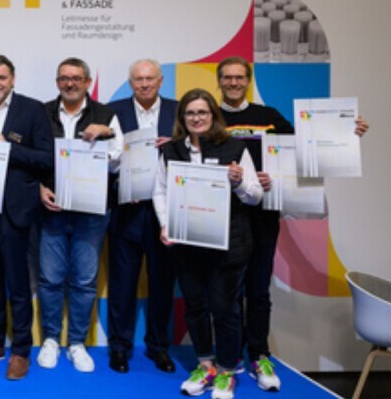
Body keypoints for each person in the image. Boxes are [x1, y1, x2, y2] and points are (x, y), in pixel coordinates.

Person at [215, 56, 368, 391]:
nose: (234, 83)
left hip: (264, 215)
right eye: (227, 78)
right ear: (219, 81)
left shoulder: (268, 117)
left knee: (257, 290)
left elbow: (309, 142)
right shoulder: (209, 117)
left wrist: (346, 132)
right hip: (222, 216)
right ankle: (228, 358)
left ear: (248, 80)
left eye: (239, 77)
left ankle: (258, 354)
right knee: (226, 292)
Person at [155, 88, 262, 399]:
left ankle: (228, 370)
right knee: (196, 306)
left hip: (229, 245)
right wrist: (165, 222)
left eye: (202, 112)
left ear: (213, 116)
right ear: (182, 118)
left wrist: (240, 181)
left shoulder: (234, 148)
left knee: (225, 309)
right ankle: (206, 364)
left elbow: (255, 196)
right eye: (190, 113)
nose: (196, 118)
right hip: (188, 244)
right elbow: (159, 191)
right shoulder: (171, 150)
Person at [0, 54, 54, 381]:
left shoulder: (32, 110)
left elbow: (47, 158)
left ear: (12, 78)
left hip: (15, 210)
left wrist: (8, 147)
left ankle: (20, 351)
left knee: (17, 284)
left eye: (1, 78)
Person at [37, 58, 123, 373]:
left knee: (85, 282)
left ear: (87, 81)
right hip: (52, 209)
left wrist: (106, 135)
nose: (69, 83)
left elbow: (117, 162)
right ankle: (49, 339)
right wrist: (37, 190)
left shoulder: (106, 115)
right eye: (64, 78)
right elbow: (32, 158)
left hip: (91, 212)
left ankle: (76, 343)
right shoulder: (41, 113)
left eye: (76, 78)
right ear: (57, 81)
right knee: (49, 279)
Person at [106, 58, 179, 374]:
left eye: (150, 79)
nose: (144, 84)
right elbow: (106, 160)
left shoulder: (180, 110)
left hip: (166, 211)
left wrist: (174, 146)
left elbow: (196, 150)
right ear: (130, 82)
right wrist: (121, 157)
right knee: (122, 284)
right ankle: (119, 348)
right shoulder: (115, 110)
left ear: (161, 80)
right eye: (138, 79)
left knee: (163, 283)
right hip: (127, 209)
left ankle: (159, 347)